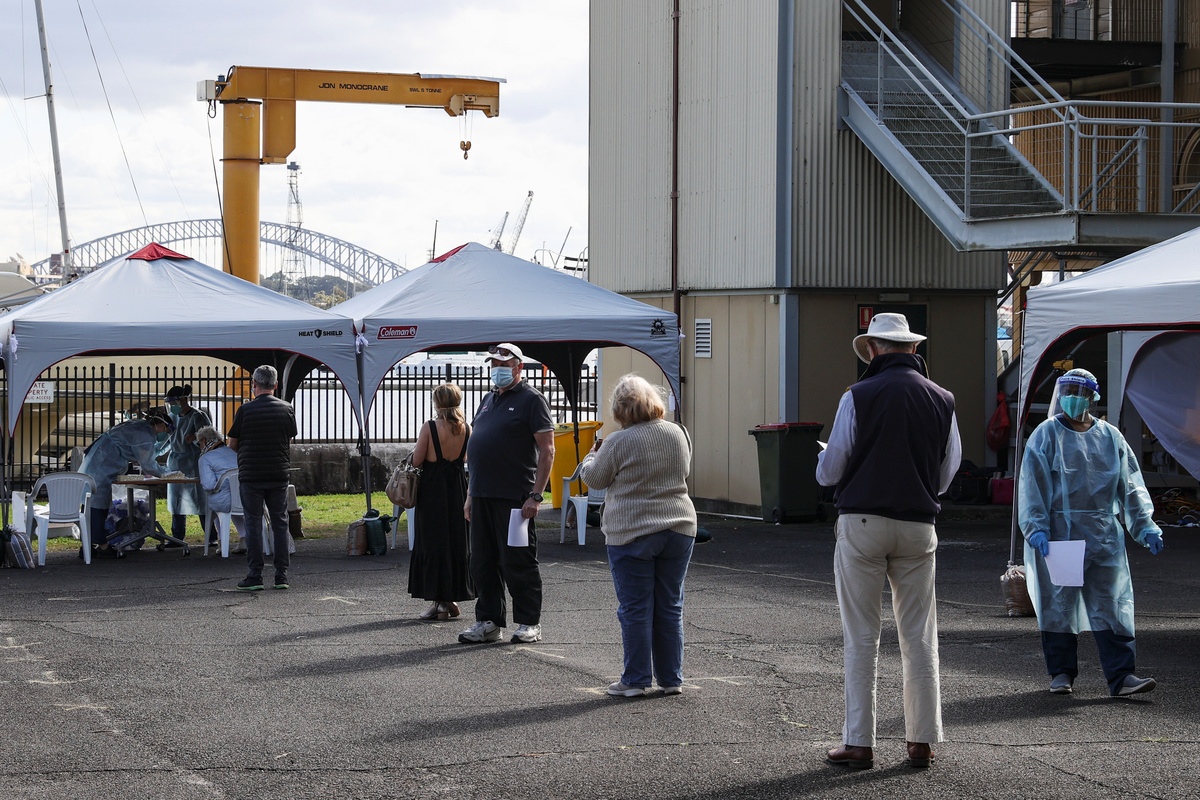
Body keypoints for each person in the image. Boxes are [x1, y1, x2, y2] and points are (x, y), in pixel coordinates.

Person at [815, 312, 961, 770]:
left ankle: (859, 743)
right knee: (919, 635)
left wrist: (824, 464)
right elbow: (947, 471)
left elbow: (831, 470)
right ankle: (921, 741)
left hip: (862, 521)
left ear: (873, 349)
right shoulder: (943, 398)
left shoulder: (857, 395)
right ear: (913, 349)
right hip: (918, 524)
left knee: (862, 635)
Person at [1019, 368, 1163, 697]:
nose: (1071, 397)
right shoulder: (1046, 435)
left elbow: (1129, 485)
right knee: (1060, 605)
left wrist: (1145, 525)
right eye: (1066, 391)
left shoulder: (1111, 437)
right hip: (1059, 536)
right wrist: (1036, 528)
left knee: (1112, 605)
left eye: (1078, 391)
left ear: (1092, 396)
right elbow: (1032, 487)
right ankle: (1061, 673)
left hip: (1102, 535)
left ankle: (1122, 677)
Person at [579, 374, 697, 697]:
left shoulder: (618, 440)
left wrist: (590, 456)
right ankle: (671, 679)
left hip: (633, 530)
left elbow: (595, 479)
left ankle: (635, 679)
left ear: (620, 408)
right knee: (670, 605)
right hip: (679, 526)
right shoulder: (678, 432)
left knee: (635, 608)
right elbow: (684, 470)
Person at [458, 343, 555, 645]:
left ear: (518, 367)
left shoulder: (532, 400)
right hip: (482, 495)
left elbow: (548, 450)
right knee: (482, 561)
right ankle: (489, 621)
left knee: (518, 561)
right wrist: (471, 494)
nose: (497, 369)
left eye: (503, 364)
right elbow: (477, 448)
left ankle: (529, 622)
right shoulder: (488, 399)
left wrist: (536, 495)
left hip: (515, 499)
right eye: (494, 364)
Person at [227, 365, 297, 591]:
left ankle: (255, 575)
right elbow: (288, 440)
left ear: (254, 384)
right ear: (275, 385)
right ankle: (281, 575)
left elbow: (232, 444)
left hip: (252, 475)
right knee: (280, 522)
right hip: (278, 473)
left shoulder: (245, 410)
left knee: (253, 522)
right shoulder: (287, 409)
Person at [408, 383, 475, 620]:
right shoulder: (467, 428)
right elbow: (465, 458)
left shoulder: (430, 427)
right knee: (455, 541)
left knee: (433, 542)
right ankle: (448, 599)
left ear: (437, 403)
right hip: (457, 488)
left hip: (432, 489)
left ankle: (440, 601)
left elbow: (417, 460)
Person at [79, 410, 173, 554]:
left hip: (99, 458)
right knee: (96, 506)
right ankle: (102, 547)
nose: (166, 434)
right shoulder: (145, 434)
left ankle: (87, 547)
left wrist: (167, 446)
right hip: (101, 464)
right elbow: (148, 465)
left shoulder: (141, 426)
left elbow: (148, 452)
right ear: (161, 426)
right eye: (167, 431)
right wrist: (167, 474)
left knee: (91, 505)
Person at [158, 385, 212, 546]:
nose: (171, 406)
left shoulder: (198, 417)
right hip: (176, 463)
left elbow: (209, 440)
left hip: (194, 462)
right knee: (176, 501)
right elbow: (166, 441)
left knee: (201, 499)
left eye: (173, 403)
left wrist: (196, 438)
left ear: (182, 400)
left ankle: (211, 536)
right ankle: (177, 537)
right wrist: (152, 453)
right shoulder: (171, 418)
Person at [195, 425, 248, 555]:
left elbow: (208, 485)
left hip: (225, 502)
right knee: (232, 504)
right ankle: (244, 538)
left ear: (204, 441)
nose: (199, 446)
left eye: (198, 443)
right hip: (245, 498)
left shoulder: (205, 458)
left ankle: (222, 541)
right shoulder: (234, 453)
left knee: (217, 506)